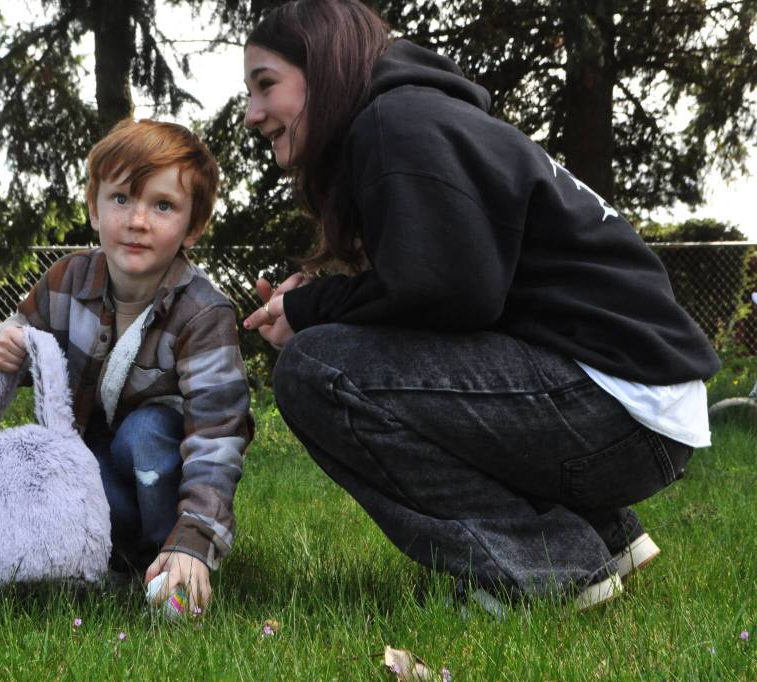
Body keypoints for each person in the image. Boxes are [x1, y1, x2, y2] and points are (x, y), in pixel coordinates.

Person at [240, 0, 719, 611]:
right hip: (635, 404)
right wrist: (316, 298)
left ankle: (550, 568)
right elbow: (445, 290)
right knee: (332, 355)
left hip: (616, 412)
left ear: (325, 67)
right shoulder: (417, 116)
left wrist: (313, 311)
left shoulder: (396, 121)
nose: (254, 114)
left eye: (266, 85)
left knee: (314, 371)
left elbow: (447, 294)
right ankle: (606, 536)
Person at [0, 119, 253, 612]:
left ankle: (172, 561)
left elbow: (217, 433)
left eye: (163, 205)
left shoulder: (204, 312)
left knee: (144, 432)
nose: (138, 221)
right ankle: (106, 559)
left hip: (162, 469)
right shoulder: (68, 279)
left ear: (195, 224)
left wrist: (197, 537)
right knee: (71, 460)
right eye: (121, 199)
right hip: (93, 464)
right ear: (94, 208)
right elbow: (0, 337)